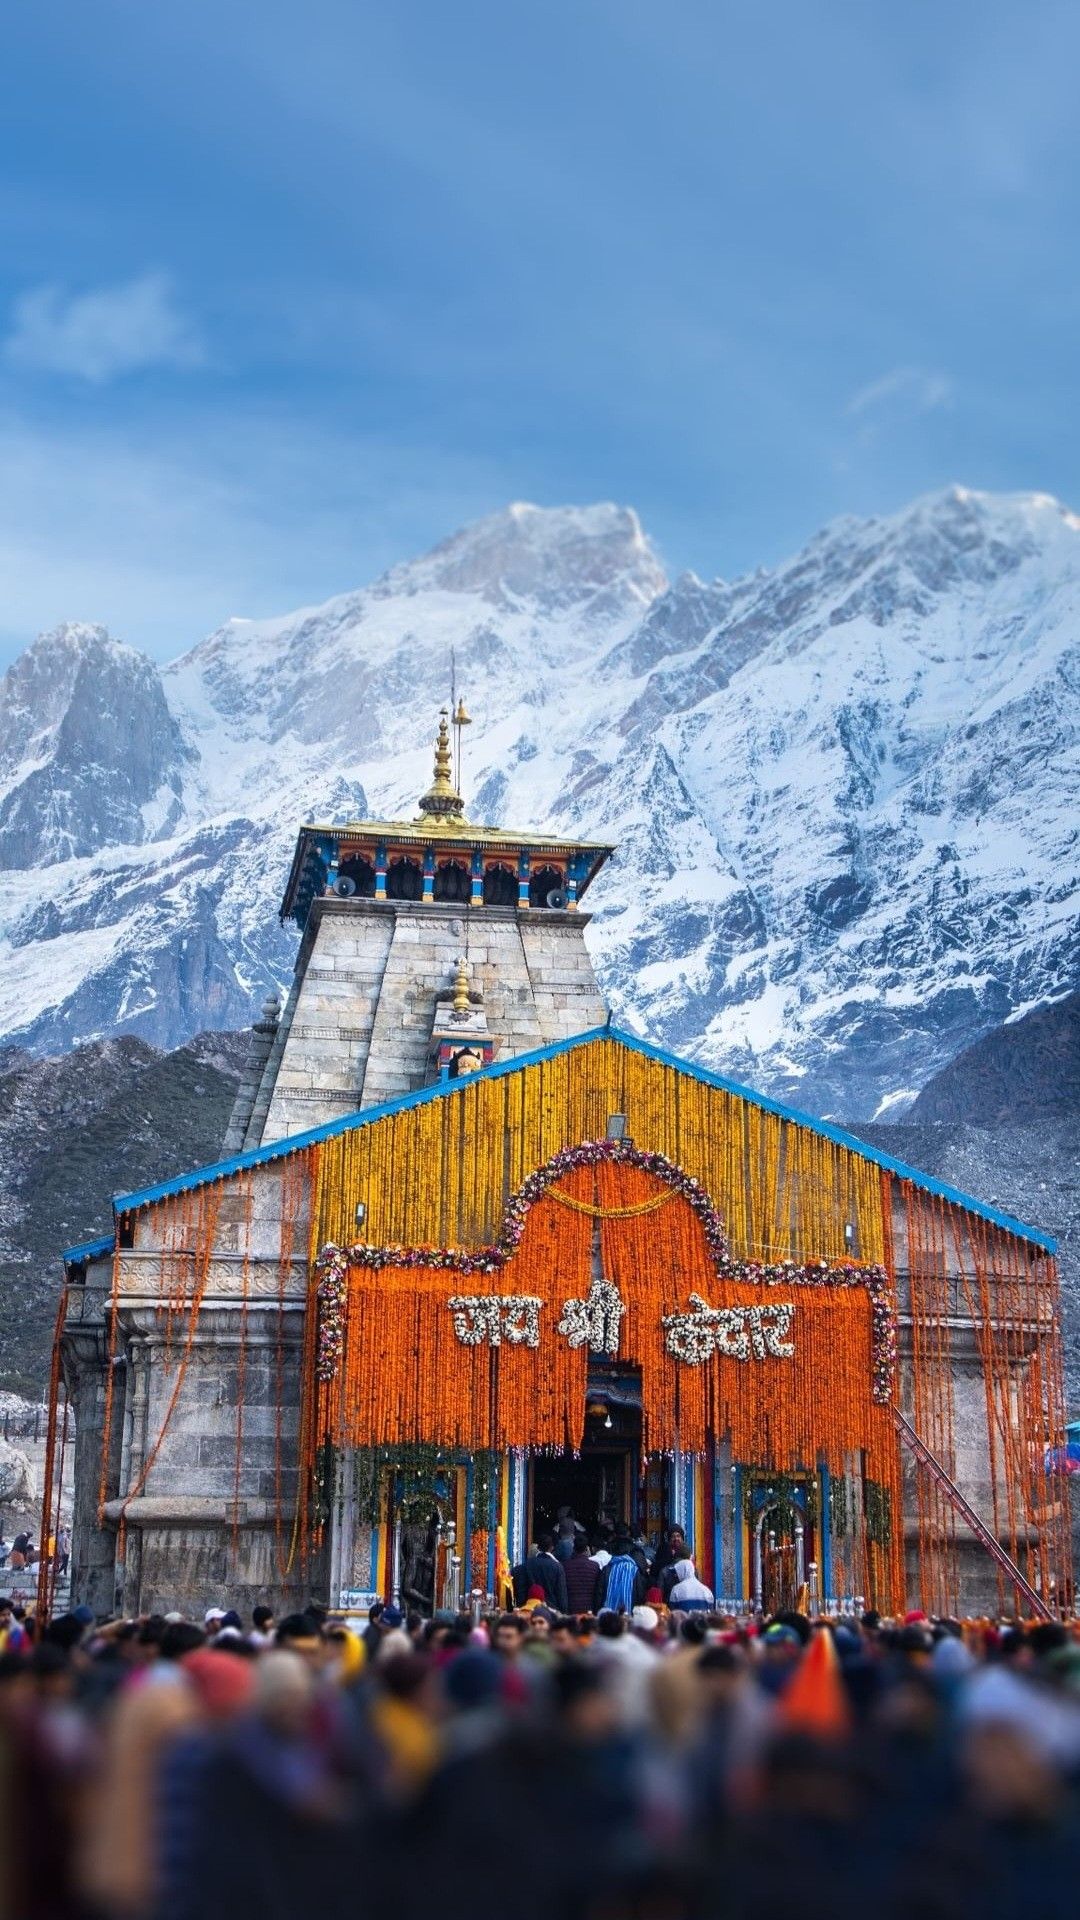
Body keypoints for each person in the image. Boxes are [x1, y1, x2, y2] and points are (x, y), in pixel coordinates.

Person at [512, 1533, 569, 1611]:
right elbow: (561, 1595)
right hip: (551, 1611)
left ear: (538, 1547)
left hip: (529, 1609)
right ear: (551, 1548)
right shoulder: (557, 1567)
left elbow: (518, 1582)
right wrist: (563, 1612)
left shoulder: (526, 1565)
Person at [564, 1534, 601, 1613]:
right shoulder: (595, 1566)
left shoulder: (565, 1566)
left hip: (571, 1608)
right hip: (589, 1609)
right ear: (587, 1549)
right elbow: (598, 1591)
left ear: (573, 1548)